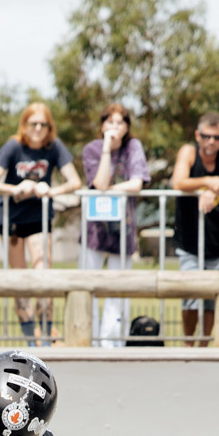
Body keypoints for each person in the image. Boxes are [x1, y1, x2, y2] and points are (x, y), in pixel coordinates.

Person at [0, 103, 80, 345]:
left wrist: (51, 190)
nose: (38, 128)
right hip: (13, 220)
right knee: (20, 281)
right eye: (33, 124)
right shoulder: (13, 146)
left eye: (43, 124)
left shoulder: (53, 147)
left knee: (42, 276)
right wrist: (16, 188)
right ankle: (30, 339)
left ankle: (45, 337)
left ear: (49, 127)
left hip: (39, 219)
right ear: (24, 125)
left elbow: (74, 181)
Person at [79, 104, 149, 346]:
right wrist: (107, 148)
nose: (114, 127)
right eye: (110, 122)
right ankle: (90, 340)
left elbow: (137, 183)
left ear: (127, 126)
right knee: (90, 286)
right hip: (94, 230)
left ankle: (113, 343)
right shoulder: (92, 149)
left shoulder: (133, 147)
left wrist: (111, 190)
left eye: (120, 123)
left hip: (124, 230)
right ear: (102, 126)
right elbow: (98, 184)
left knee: (118, 288)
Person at [172, 112, 219, 344]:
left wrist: (214, 189)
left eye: (217, 137)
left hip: (218, 240)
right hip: (190, 238)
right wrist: (208, 182)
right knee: (191, 294)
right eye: (206, 136)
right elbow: (178, 182)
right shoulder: (188, 153)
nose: (211, 141)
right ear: (197, 135)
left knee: (212, 296)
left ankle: (204, 343)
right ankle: (188, 342)